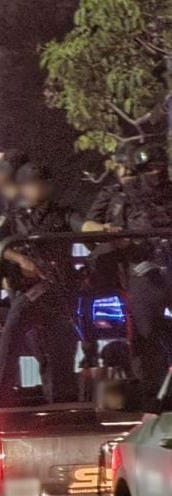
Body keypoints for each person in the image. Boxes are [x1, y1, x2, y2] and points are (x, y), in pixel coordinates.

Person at [0, 162, 81, 404]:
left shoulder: (63, 214)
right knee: (13, 337)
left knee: (59, 350)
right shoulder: (14, 218)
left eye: (43, 183)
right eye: (33, 183)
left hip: (59, 292)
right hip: (27, 292)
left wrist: (103, 229)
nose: (39, 188)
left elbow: (84, 226)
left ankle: (62, 405)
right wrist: (20, 259)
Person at [84, 141, 172, 395]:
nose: (155, 174)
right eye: (148, 169)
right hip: (140, 271)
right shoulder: (124, 196)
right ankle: (152, 398)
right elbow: (97, 231)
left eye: (159, 167)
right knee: (145, 336)